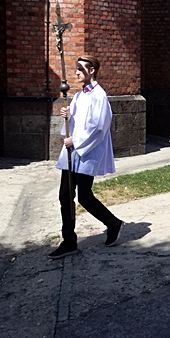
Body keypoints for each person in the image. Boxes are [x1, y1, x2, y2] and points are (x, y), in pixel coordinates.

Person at [50, 55, 123, 259]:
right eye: (76, 69)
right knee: (65, 195)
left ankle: (113, 223)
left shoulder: (99, 96)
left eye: (80, 69)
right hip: (72, 151)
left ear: (92, 70)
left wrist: (76, 141)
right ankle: (69, 241)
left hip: (87, 151)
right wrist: (69, 115)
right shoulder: (80, 95)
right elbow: (80, 120)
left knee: (84, 195)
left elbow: (98, 127)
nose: (76, 73)